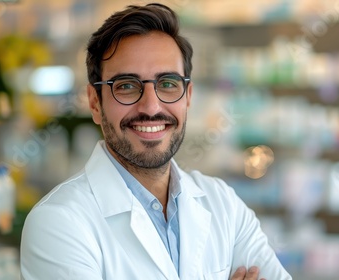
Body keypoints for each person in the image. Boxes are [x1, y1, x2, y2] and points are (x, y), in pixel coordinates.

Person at [20, 3, 292, 280]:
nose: (151, 107)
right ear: (94, 103)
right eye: (126, 86)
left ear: (187, 96)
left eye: (168, 84)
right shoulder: (58, 223)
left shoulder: (223, 204)